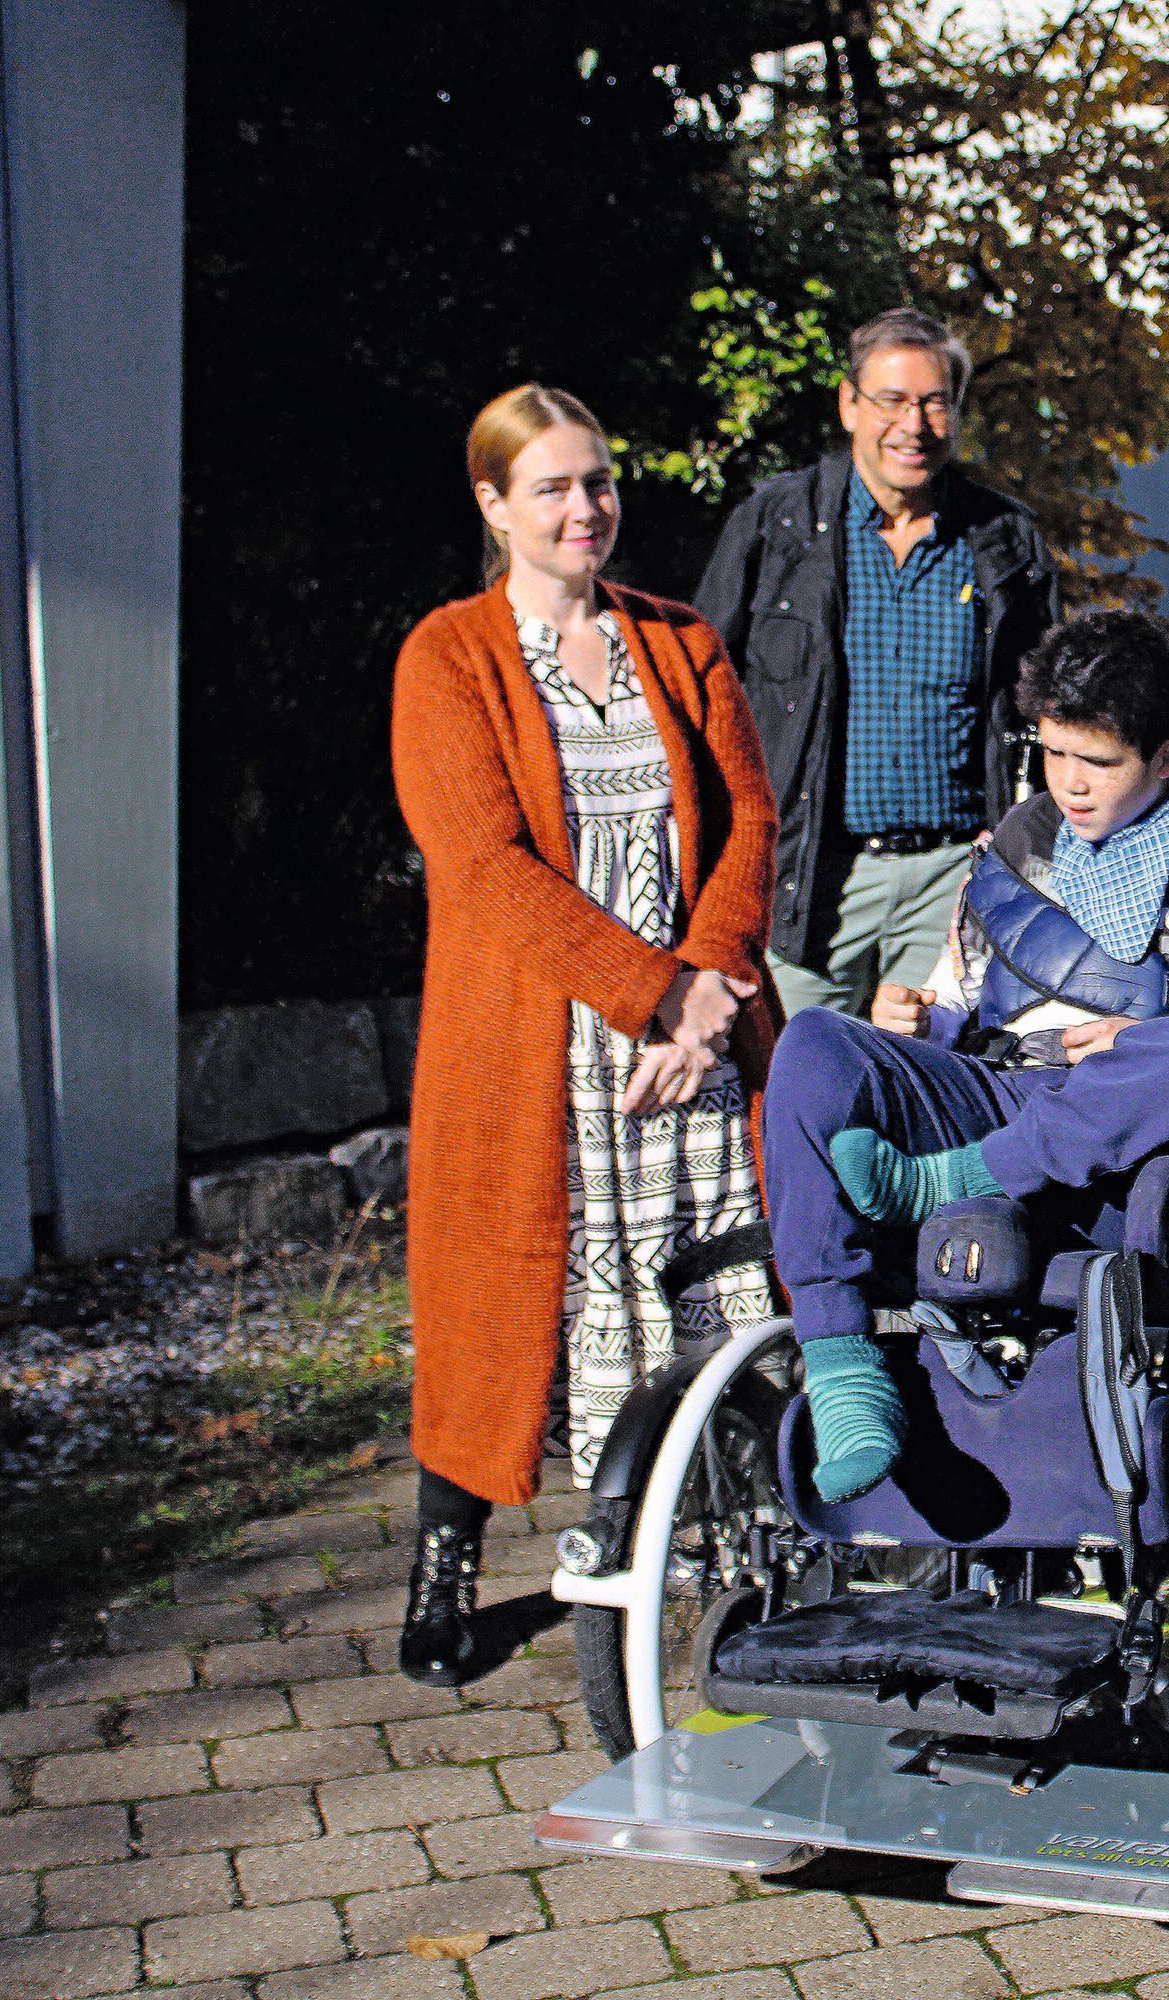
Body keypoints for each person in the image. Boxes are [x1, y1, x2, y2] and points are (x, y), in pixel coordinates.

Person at [762, 607, 1169, 1500]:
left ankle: (950, 1183)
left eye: (1099, 763)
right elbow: (960, 993)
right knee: (813, 1043)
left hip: (1136, 1146)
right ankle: (843, 1363)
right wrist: (918, 1018)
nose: (1069, 786)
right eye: (1054, 754)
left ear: (1165, 758)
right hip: (1002, 1090)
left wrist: (1152, 1032)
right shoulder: (1021, 837)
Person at [389, 384, 786, 1685]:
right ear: (494, 504)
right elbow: (487, 869)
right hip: (536, 1042)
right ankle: (449, 1559)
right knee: (497, 1310)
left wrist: (712, 984)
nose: (584, 508)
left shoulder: (679, 640)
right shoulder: (446, 657)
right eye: (552, 486)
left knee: (725, 1284)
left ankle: (751, 1541)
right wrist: (650, 994)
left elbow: (746, 824)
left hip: (700, 1035)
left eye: (599, 481)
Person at [695, 306, 1059, 1017]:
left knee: (922, 1084)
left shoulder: (1003, 538)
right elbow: (702, 688)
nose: (914, 425)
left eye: (934, 402)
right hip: (812, 874)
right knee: (798, 1082)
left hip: (950, 874)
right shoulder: (778, 525)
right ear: (850, 404)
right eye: (893, 400)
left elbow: (1045, 710)